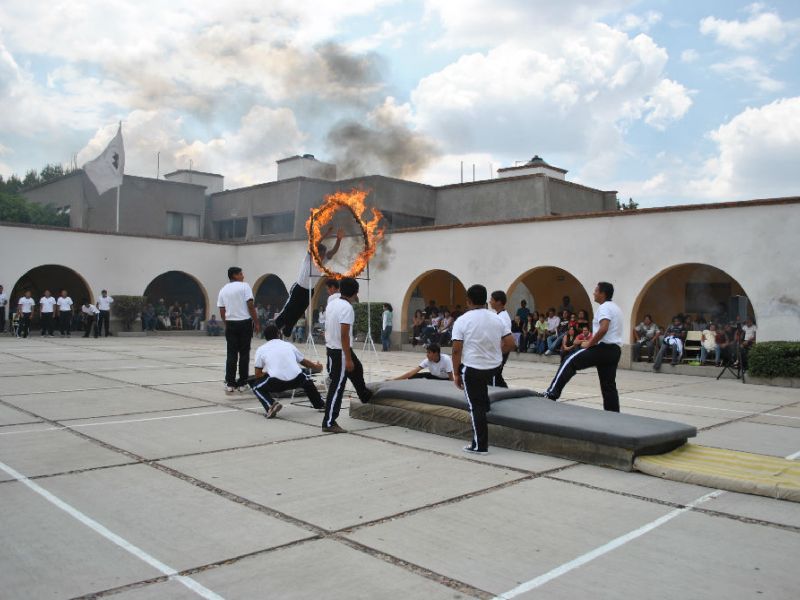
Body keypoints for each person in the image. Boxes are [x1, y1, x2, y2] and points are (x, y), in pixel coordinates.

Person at [452, 284, 514, 454]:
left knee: (475, 407)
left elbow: (456, 350)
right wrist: (496, 353)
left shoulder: (462, 320)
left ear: (468, 300)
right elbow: (510, 343)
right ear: (485, 299)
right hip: (493, 367)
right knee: (482, 395)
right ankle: (485, 409)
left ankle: (480, 445)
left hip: (473, 368)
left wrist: (456, 373)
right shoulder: (497, 318)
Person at [543, 282, 623, 412]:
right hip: (615, 351)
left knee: (569, 361)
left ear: (602, 293)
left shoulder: (604, 307)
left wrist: (590, 343)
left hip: (603, 348)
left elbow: (604, 328)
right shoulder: (616, 308)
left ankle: (551, 394)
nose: (594, 293)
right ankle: (613, 413)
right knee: (608, 385)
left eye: (596, 291)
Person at [322, 277, 372, 433]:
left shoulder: (332, 303)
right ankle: (329, 422)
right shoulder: (347, 308)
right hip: (341, 351)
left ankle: (364, 395)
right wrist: (348, 359)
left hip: (332, 348)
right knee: (337, 387)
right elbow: (344, 335)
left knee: (357, 368)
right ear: (355, 292)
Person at [275, 226, 343, 338]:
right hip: (299, 287)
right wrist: (326, 234)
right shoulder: (309, 258)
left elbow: (333, 252)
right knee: (290, 307)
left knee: (300, 310)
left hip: (310, 290)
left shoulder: (323, 262)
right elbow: (314, 245)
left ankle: (288, 328)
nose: (323, 257)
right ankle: (277, 324)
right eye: (321, 254)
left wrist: (339, 239)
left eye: (323, 255)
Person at [248, 325, 325, 419]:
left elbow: (258, 374)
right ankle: (321, 404)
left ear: (265, 337)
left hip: (277, 383)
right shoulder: (288, 345)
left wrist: (267, 373)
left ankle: (271, 405)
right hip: (296, 380)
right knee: (306, 379)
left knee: (256, 387)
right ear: (278, 334)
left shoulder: (261, 349)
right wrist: (317, 367)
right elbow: (304, 362)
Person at [217, 266, 260, 394]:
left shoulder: (223, 290)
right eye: (241, 274)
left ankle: (230, 383)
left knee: (231, 354)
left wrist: (227, 323)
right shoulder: (245, 286)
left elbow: (222, 310)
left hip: (231, 323)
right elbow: (250, 305)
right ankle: (242, 383)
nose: (243, 276)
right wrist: (256, 322)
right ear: (235, 275)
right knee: (244, 354)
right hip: (245, 323)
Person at [489, 290, 513, 388]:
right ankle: (507, 393)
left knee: (493, 377)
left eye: (492, 300)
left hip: (500, 352)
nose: (490, 302)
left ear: (498, 302)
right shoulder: (499, 315)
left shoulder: (503, 318)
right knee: (497, 377)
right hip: (498, 352)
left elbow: (506, 339)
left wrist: (498, 354)